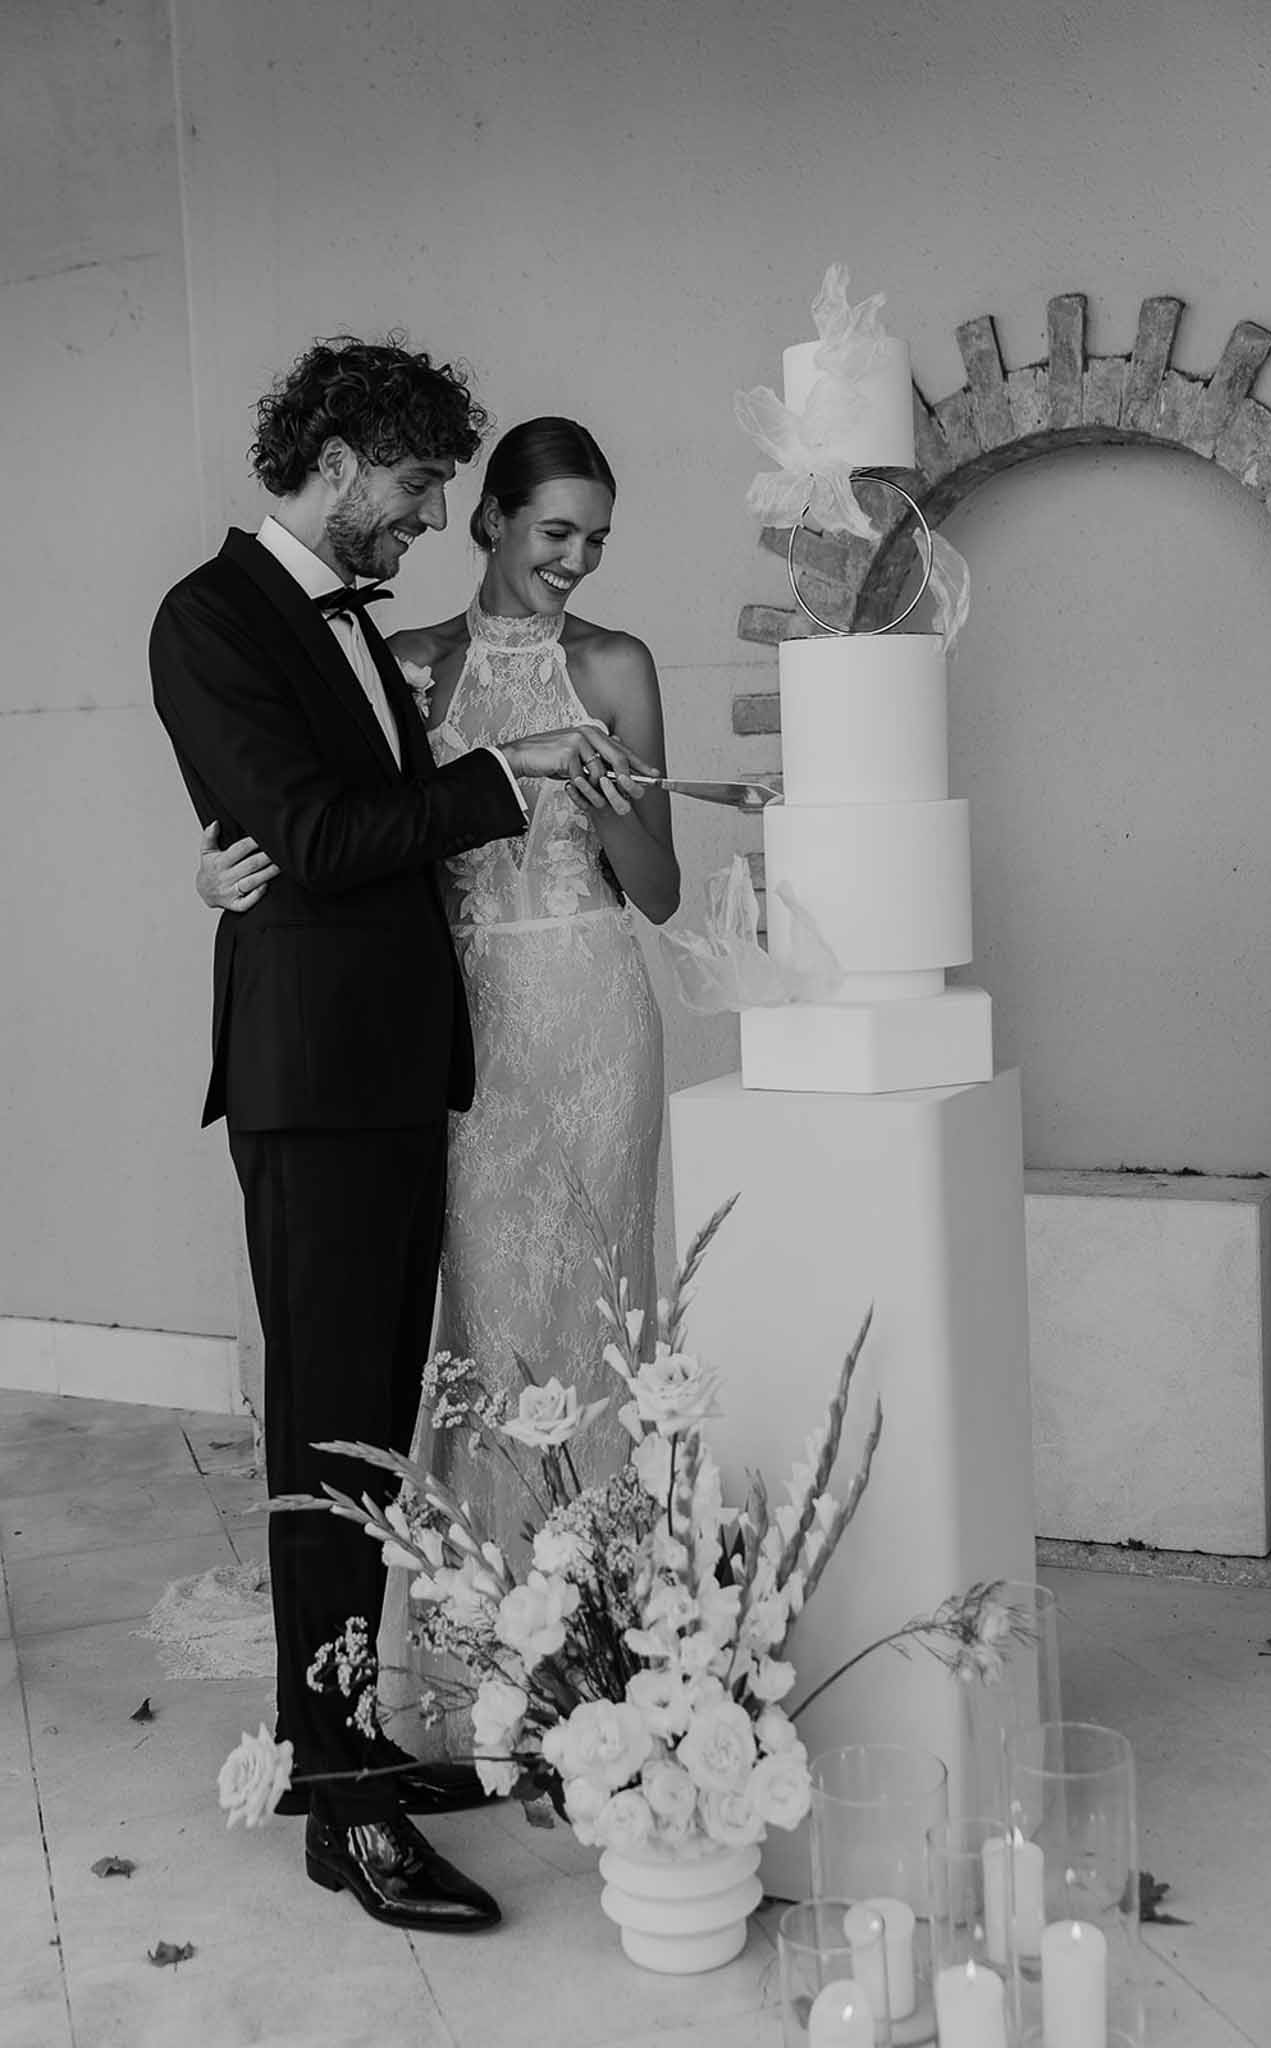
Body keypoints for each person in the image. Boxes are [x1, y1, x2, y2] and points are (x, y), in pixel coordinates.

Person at [151, 341, 654, 1933]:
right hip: (313, 1084)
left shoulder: (356, 625)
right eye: (425, 485)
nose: (433, 516)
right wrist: (501, 778)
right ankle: (338, 1796)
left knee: (373, 1435)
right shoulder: (211, 615)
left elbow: (314, 837)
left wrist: (266, 860)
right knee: (323, 1441)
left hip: (398, 1071)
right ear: (349, 456)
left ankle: (356, 1726)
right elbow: (308, 834)